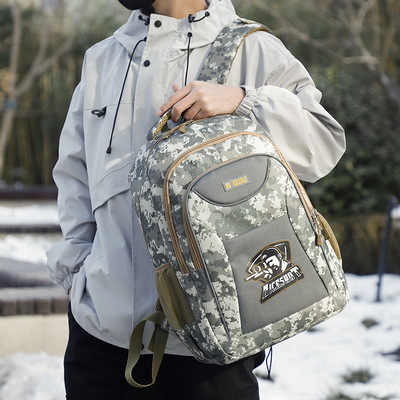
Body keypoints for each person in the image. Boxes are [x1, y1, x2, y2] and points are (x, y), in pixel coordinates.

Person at [46, 0, 346, 399]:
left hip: (212, 351)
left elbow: (323, 141)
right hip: (98, 341)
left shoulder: (250, 47)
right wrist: (78, 273)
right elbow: (74, 173)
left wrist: (244, 100)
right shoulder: (103, 58)